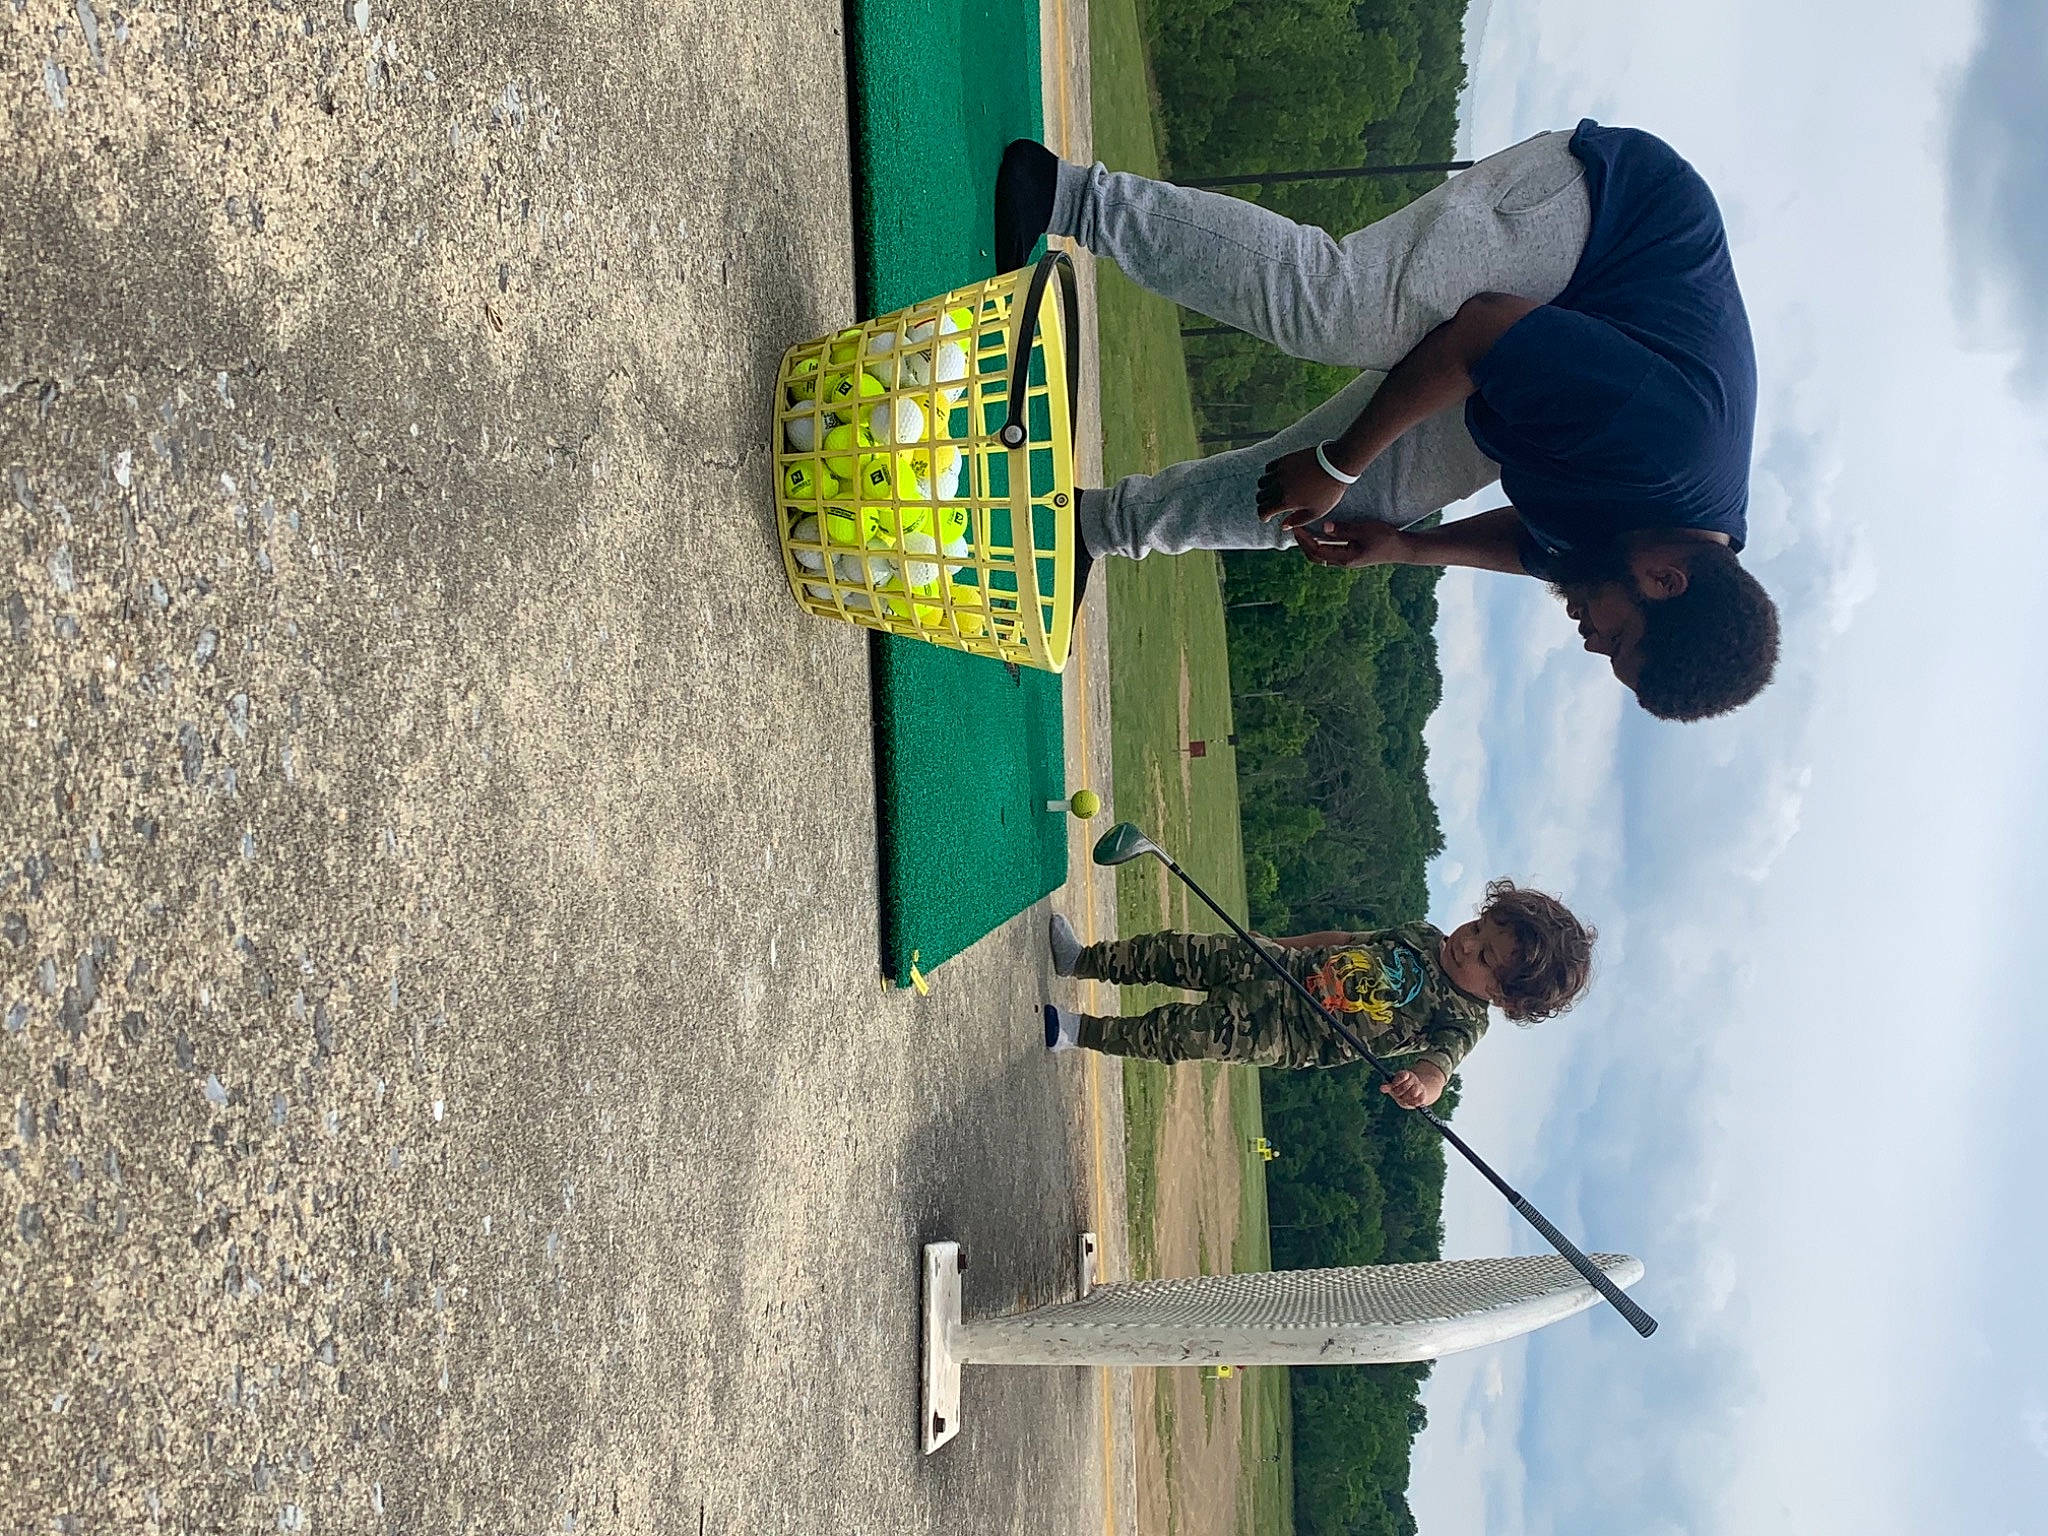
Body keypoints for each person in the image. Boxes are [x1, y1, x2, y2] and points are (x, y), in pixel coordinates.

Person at [995, 122, 1781, 721]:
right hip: (1598, 225)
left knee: (1340, 514)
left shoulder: (1635, 552)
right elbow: (1482, 333)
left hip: (1555, 375)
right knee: (1340, 310)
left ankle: (1089, 528)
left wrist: (1405, 544)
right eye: (1616, 641)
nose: (1590, 641)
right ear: (1664, 580)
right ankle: (1069, 196)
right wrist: (1337, 463)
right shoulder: (1667, 444)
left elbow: (1536, 548)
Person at [1040, 882, 1595, 1108]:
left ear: (1505, 999)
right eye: (1478, 928)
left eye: (1485, 958)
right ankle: (1085, 959)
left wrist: (1420, 1087)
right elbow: (1343, 941)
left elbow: (1438, 1068)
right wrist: (1273, 944)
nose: (1466, 944)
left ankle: (1079, 1032)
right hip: (1277, 964)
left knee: (1178, 1034)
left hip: (1281, 1032)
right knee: (1174, 950)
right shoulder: (1424, 935)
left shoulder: (1465, 1021)